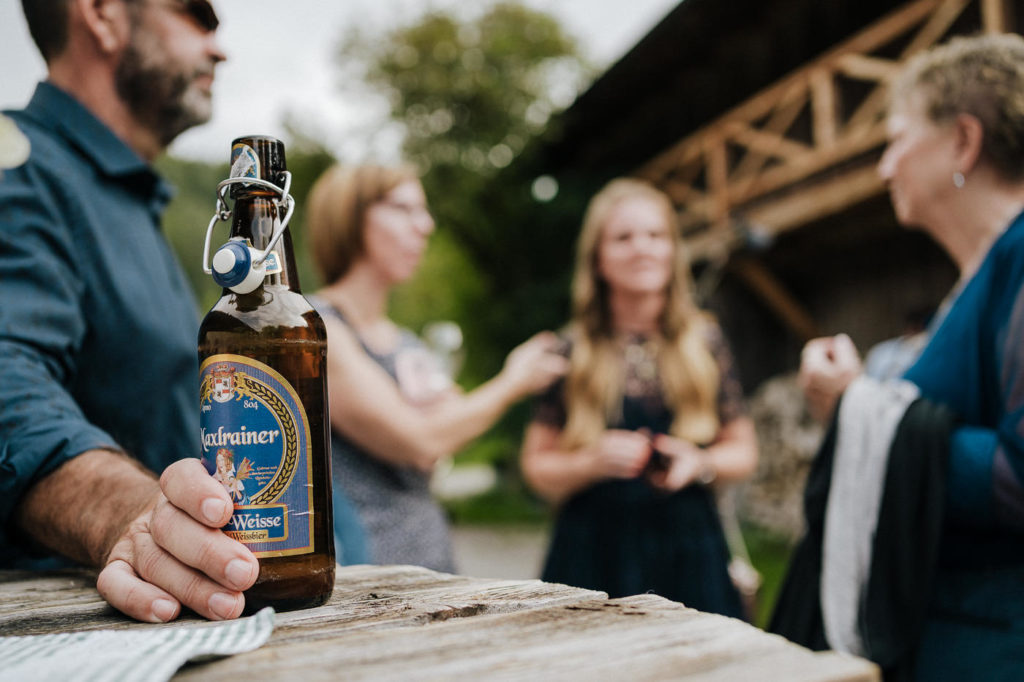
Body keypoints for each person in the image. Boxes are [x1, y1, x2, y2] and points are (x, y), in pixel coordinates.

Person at [0, 0, 261, 623]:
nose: (218, 48)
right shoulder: (16, 169)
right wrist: (132, 515)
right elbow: (8, 381)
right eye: (194, 14)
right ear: (102, 15)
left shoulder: (134, 198)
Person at [773, 34, 1024, 680]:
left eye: (896, 139)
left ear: (963, 142)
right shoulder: (975, 287)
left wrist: (861, 407)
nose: (884, 168)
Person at [305, 164, 568, 571]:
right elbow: (423, 439)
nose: (425, 225)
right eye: (405, 208)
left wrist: (449, 420)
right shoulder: (314, 329)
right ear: (350, 217)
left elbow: (437, 449)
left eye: (423, 211)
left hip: (432, 558)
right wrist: (514, 381)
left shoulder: (407, 341)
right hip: (367, 572)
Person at [519, 178, 759, 617]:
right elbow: (536, 465)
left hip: (690, 547)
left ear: (672, 250)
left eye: (655, 235)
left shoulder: (705, 340)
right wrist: (587, 463)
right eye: (623, 237)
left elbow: (743, 450)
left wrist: (699, 464)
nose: (642, 248)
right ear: (598, 259)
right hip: (593, 549)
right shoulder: (569, 351)